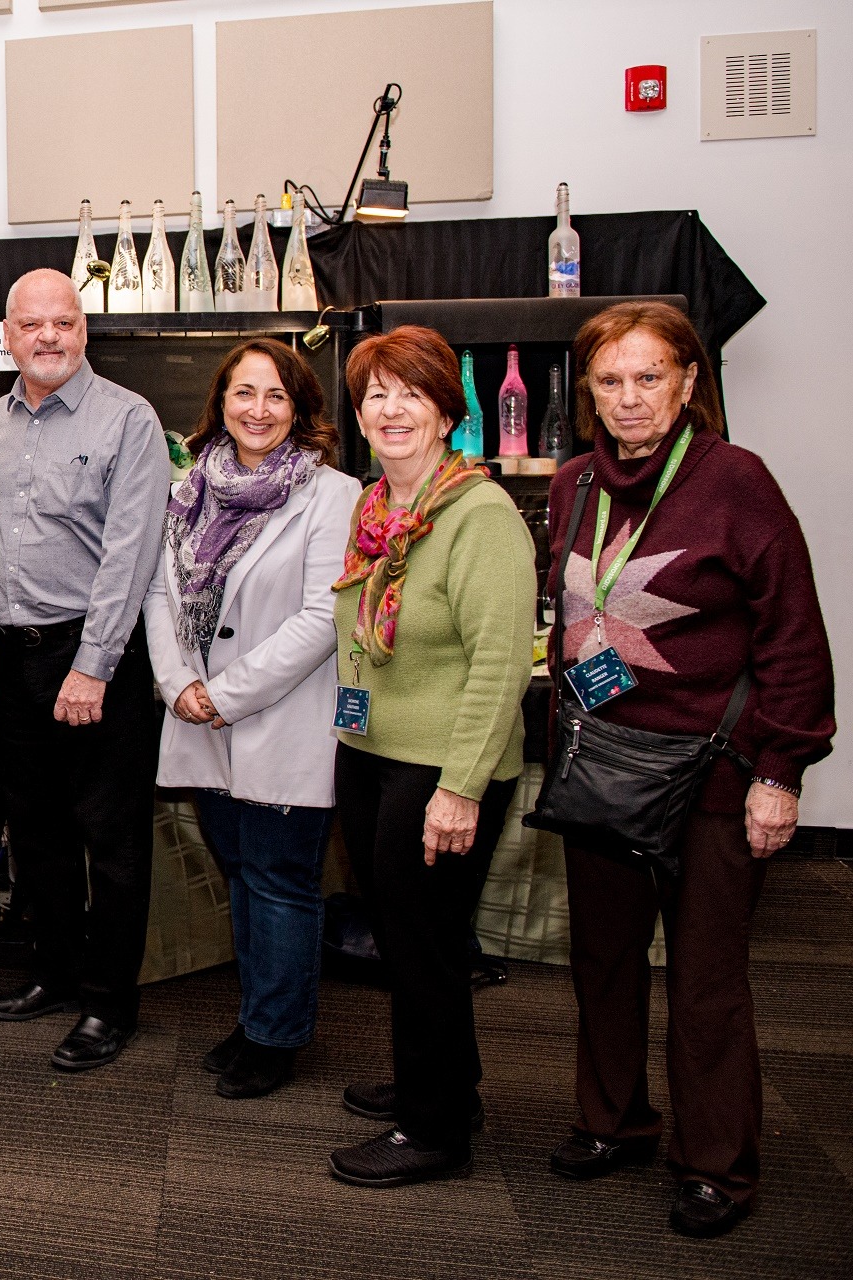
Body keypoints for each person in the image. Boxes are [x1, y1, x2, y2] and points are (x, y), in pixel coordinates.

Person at [544, 302, 834, 1238]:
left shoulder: (736, 481)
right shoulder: (575, 481)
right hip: (605, 768)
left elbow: (795, 637)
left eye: (648, 377)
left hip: (713, 775)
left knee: (707, 979)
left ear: (688, 382)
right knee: (602, 961)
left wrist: (780, 771)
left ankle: (717, 1167)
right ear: (586, 392)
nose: (629, 398)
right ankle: (612, 1120)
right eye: (609, 381)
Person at [325, 325, 535, 1188]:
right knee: (416, 938)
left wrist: (459, 789)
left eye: (410, 391)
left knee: (421, 945)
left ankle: (435, 1130)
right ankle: (444, 1084)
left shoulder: (480, 514)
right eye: (376, 393)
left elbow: (500, 664)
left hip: (441, 769)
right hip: (374, 752)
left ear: (448, 409)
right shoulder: (376, 511)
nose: (391, 408)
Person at [143, 339, 359, 1099]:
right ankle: (255, 1016)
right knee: (241, 875)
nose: (257, 410)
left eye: (275, 396)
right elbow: (160, 594)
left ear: (300, 409)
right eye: (243, 394)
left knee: (280, 882)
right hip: (201, 718)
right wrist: (178, 685)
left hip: (278, 717)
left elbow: (322, 618)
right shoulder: (188, 489)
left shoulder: (332, 494)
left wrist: (223, 694)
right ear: (220, 404)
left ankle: (276, 1035)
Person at [0, 268, 170, 1072]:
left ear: (83, 330)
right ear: (9, 333)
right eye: (32, 325)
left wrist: (91, 667)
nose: (49, 337)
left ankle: (108, 1002)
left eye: (64, 323)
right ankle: (52, 973)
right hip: (12, 658)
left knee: (111, 839)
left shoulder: (130, 420)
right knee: (38, 832)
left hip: (97, 658)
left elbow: (131, 554)